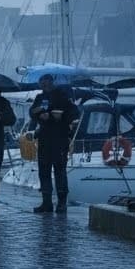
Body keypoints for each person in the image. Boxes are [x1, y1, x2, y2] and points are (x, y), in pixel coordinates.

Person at [28, 74, 80, 213]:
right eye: (42, 84)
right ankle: (47, 202)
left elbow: (74, 112)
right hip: (44, 138)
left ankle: (62, 203)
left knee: (60, 171)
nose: (44, 86)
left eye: (46, 84)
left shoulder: (62, 96)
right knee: (43, 171)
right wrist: (38, 114)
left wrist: (58, 116)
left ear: (51, 83)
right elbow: (32, 112)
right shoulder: (39, 98)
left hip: (60, 137)